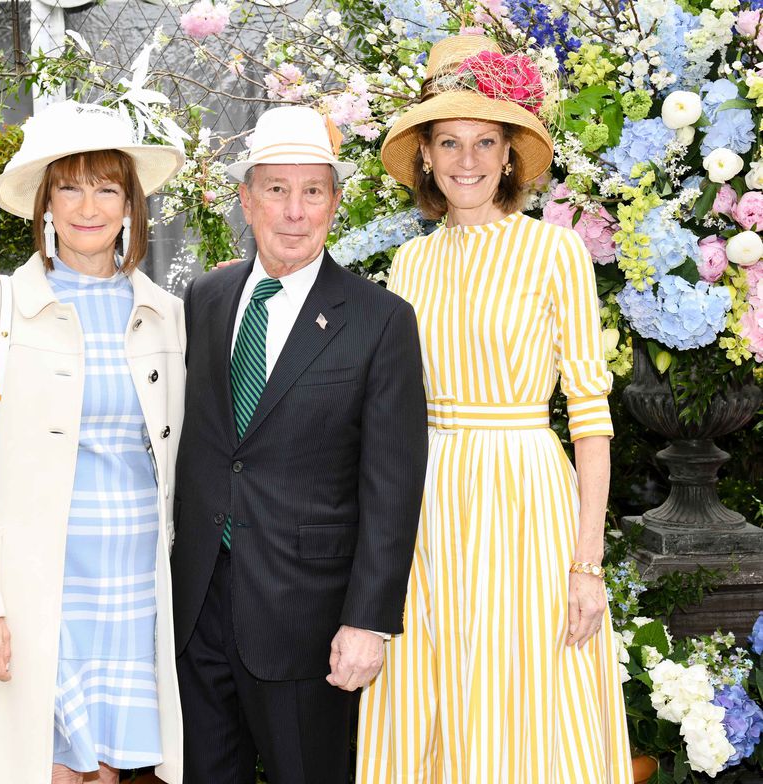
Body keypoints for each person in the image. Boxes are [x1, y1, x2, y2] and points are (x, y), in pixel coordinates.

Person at [356, 35, 632, 782]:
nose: (466, 159)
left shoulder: (555, 252)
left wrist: (586, 564)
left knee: (526, 687)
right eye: (449, 141)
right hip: (428, 499)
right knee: (430, 681)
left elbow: (591, 416)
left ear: (510, 156)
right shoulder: (409, 263)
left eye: (485, 142)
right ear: (427, 157)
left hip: (525, 495)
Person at [0, 101, 187, 784]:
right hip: (38, 587)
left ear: (131, 204)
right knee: (42, 769)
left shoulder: (168, 316)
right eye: (70, 185)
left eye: (108, 186)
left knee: (109, 769)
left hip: (134, 584)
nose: (88, 205)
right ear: (44, 202)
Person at [170, 104, 429, 783]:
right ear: (246, 198)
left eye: (312, 191)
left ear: (335, 203)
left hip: (309, 622)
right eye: (276, 190)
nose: (293, 210)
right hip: (198, 610)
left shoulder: (380, 322)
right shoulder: (204, 300)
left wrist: (368, 623)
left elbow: (393, 487)